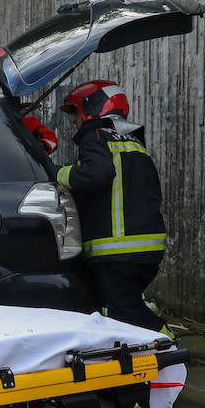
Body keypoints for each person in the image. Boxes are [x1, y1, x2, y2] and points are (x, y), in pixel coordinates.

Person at [56, 80, 167, 333]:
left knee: (123, 312)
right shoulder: (131, 139)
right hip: (145, 247)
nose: (75, 123)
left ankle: (166, 347)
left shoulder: (96, 133)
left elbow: (98, 174)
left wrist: (56, 173)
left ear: (91, 109)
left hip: (117, 251)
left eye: (76, 115)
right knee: (122, 307)